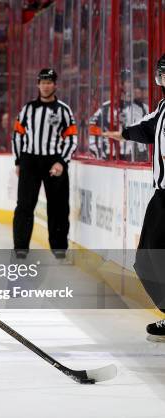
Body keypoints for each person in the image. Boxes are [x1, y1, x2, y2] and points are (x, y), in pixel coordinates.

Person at [102, 54, 165, 341]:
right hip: (162, 197)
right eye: (163, 74)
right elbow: (147, 128)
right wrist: (123, 134)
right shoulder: (163, 108)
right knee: (145, 260)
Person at [12, 68, 78, 258]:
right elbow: (18, 135)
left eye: (49, 82)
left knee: (58, 206)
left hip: (54, 161)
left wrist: (62, 162)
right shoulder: (28, 109)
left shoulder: (63, 110)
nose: (46, 85)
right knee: (24, 205)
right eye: (43, 82)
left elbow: (71, 138)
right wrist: (18, 161)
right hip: (30, 160)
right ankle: (21, 249)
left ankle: (59, 248)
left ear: (55, 85)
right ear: (38, 84)